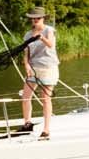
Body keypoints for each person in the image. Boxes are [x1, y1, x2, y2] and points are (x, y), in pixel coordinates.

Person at [15, 8, 58, 139]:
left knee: (45, 99)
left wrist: (41, 37)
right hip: (33, 68)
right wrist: (27, 65)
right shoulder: (28, 34)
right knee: (26, 97)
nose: (35, 20)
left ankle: (46, 129)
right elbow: (26, 53)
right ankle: (27, 123)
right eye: (33, 18)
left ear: (43, 18)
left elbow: (50, 45)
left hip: (48, 68)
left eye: (37, 18)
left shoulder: (49, 30)